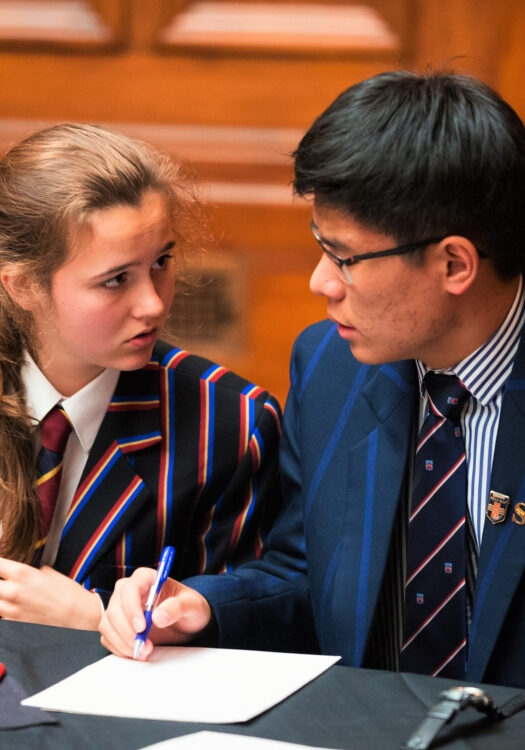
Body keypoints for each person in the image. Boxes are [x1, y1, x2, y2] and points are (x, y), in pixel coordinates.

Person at [99, 70, 525, 688]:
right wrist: (204, 609)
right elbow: (304, 574)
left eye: (346, 259)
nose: (320, 282)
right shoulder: (330, 366)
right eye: (320, 248)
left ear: (453, 263)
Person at [0, 123, 282, 630]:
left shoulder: (231, 423)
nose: (153, 304)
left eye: (162, 262)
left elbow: (244, 636)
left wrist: (96, 617)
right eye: (115, 280)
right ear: (22, 285)